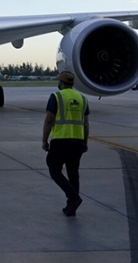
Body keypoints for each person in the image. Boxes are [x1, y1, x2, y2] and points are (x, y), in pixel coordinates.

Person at [42, 71, 89, 217]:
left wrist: (44, 140)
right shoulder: (82, 98)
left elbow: (49, 120)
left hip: (61, 140)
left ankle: (73, 197)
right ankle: (71, 206)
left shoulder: (56, 96)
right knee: (73, 172)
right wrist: (85, 142)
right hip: (78, 141)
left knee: (54, 169)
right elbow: (86, 123)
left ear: (61, 83)